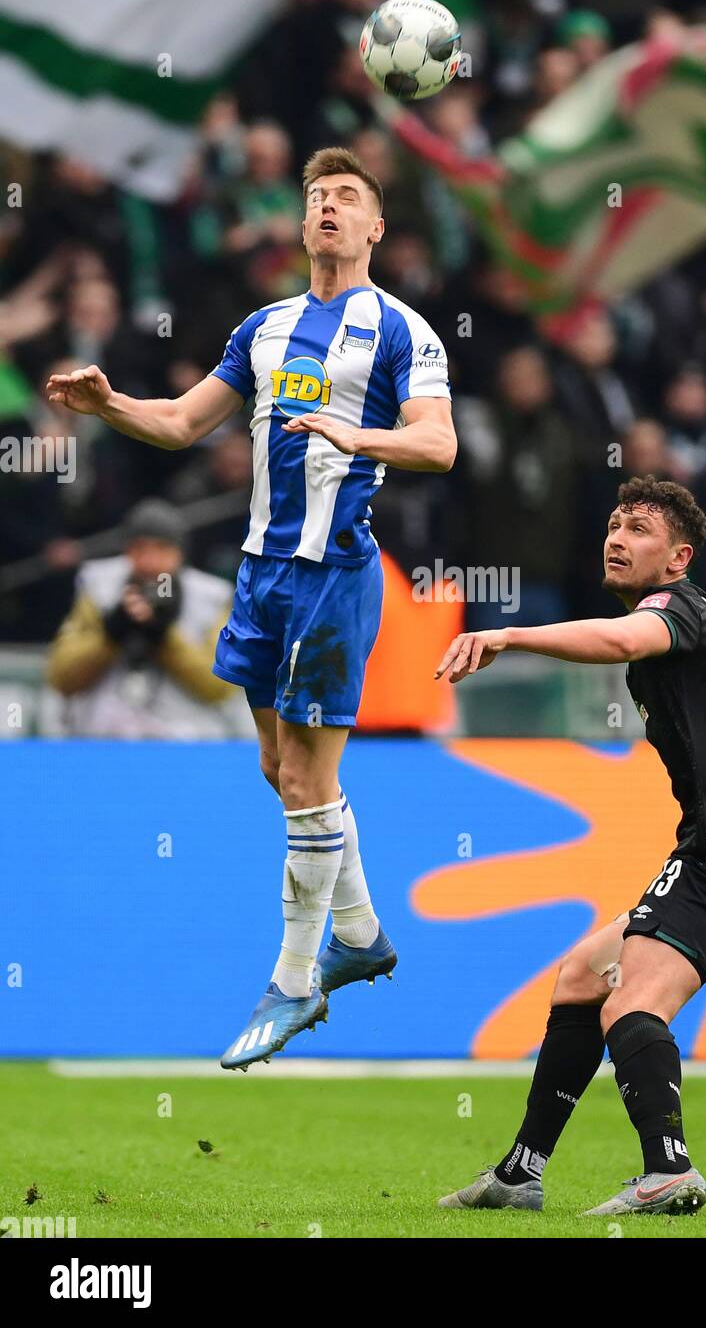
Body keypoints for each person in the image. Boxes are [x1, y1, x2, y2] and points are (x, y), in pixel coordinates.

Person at [46, 145, 457, 1070]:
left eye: (347, 197)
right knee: (279, 770)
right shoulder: (265, 328)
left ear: (374, 226)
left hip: (332, 573)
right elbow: (184, 422)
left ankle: (295, 980)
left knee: (309, 782)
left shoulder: (403, 330)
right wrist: (109, 403)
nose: (328, 208)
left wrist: (361, 433)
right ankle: (359, 929)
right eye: (317, 196)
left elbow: (439, 445)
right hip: (260, 575)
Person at [434, 475, 706, 1217]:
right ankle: (518, 1174)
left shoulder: (673, 610)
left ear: (678, 558)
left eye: (638, 528)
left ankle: (667, 1170)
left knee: (629, 1004)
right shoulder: (690, 628)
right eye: (612, 523)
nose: (616, 536)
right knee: (581, 977)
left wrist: (506, 633)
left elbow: (618, 637)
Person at [46, 499, 238, 739]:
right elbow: (61, 676)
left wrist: (164, 636)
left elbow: (220, 686)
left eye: (160, 549)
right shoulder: (99, 587)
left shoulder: (209, 597)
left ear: (179, 553)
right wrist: (110, 634)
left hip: (186, 743)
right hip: (102, 741)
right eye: (139, 549)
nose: (149, 561)